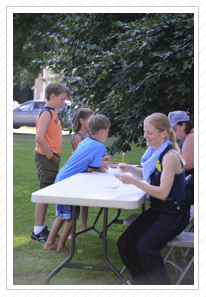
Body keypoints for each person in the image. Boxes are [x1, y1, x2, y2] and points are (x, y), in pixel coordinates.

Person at [115, 113, 190, 285]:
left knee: (145, 248)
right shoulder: (156, 151)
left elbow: (163, 193)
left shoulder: (169, 156)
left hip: (175, 214)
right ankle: (142, 282)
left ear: (163, 133)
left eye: (149, 133)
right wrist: (130, 169)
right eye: (144, 131)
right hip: (159, 210)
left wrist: (133, 181)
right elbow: (151, 174)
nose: (145, 136)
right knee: (124, 243)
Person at [43, 114, 111, 251]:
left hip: (62, 178)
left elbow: (86, 165)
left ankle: (50, 242)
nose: (108, 134)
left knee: (62, 215)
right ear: (103, 131)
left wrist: (99, 165)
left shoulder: (85, 141)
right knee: (71, 216)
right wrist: (100, 168)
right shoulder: (99, 147)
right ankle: (61, 246)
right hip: (69, 183)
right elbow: (91, 168)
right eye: (108, 131)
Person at [31, 82, 70, 242]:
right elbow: (39, 138)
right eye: (62, 99)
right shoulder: (46, 113)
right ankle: (38, 231)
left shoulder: (52, 112)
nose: (64, 102)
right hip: (46, 157)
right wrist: (50, 156)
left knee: (46, 193)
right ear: (52, 96)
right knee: (44, 193)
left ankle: (41, 229)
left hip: (50, 157)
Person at [70, 108, 111, 236]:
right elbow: (85, 161)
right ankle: (71, 234)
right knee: (73, 208)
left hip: (84, 172)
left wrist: (101, 161)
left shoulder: (88, 138)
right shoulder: (78, 137)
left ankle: (83, 228)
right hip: (78, 174)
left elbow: (90, 159)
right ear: (82, 121)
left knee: (83, 203)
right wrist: (99, 166)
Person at [168, 110, 194, 205]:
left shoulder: (191, 137)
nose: (173, 134)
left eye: (174, 129)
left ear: (184, 125)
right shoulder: (187, 136)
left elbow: (186, 165)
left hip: (190, 186)